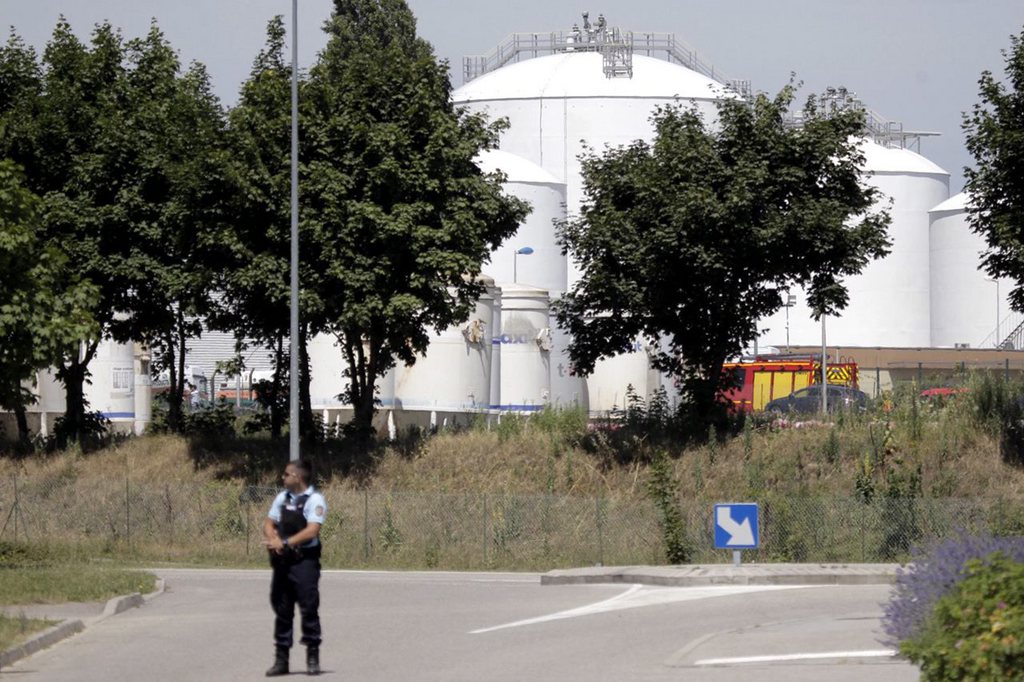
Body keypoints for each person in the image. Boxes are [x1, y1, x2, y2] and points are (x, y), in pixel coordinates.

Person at [262, 460, 328, 676]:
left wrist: (286, 542)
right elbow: (269, 523)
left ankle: (312, 656)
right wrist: (273, 538)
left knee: (309, 608)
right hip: (282, 563)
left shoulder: (314, 500)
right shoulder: (282, 498)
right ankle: (281, 660)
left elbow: (312, 531)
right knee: (282, 609)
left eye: (286, 474)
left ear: (298, 477)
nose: (283, 477)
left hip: (304, 561)